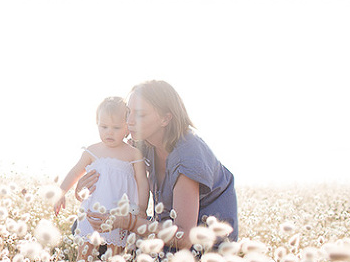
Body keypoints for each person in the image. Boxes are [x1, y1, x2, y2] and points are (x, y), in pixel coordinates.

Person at [79, 80, 238, 251]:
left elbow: (184, 238)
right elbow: (113, 174)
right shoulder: (142, 143)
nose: (129, 121)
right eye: (128, 112)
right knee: (86, 225)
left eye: (140, 115)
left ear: (165, 118)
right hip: (164, 229)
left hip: (204, 248)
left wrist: (128, 222)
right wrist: (84, 189)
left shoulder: (188, 157)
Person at [54, 97, 149, 261]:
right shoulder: (92, 151)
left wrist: (141, 208)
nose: (109, 132)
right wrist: (61, 192)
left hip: (119, 215)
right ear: (97, 124)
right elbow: (76, 171)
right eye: (103, 126)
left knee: (116, 257)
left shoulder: (133, 154)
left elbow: (142, 182)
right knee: (84, 253)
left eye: (116, 127)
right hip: (92, 211)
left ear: (127, 127)